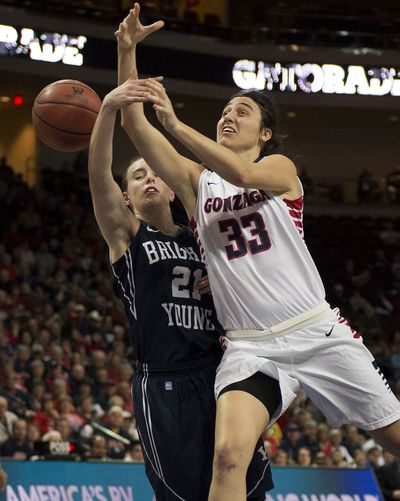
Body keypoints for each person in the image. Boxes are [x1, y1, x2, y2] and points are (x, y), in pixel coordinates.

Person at [115, 4, 400, 500]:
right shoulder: (193, 181)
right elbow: (135, 124)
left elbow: (242, 175)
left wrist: (178, 126)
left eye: (241, 112)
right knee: (227, 457)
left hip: (315, 330)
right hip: (250, 347)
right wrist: (126, 51)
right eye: (225, 111)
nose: (229, 115)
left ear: (264, 134)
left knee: (395, 437)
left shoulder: (280, 169)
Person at [87, 66, 273, 499]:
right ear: (127, 199)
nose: (148, 178)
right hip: (165, 382)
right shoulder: (127, 236)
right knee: (182, 492)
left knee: (247, 484)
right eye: (136, 177)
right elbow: (99, 180)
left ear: (172, 189)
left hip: (219, 371)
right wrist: (107, 113)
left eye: (153, 172)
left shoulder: (201, 235)